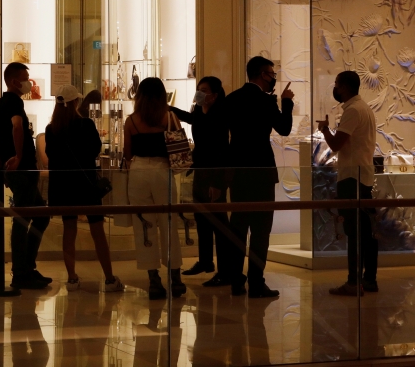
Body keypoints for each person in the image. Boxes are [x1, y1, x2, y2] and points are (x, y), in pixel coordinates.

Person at [223, 56, 294, 298]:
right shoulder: (265, 102)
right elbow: (284, 128)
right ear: (262, 74)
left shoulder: (231, 99)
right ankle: (256, 280)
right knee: (261, 230)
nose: (274, 77)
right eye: (271, 73)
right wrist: (287, 103)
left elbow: (224, 138)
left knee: (238, 227)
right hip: (262, 171)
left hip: (238, 171)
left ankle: (235, 279)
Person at [44, 85, 123, 293]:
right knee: (97, 231)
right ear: (75, 102)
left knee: (69, 231)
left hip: (63, 186)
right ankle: (109, 277)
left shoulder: (52, 129)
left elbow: (51, 156)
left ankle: (71, 278)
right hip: (86, 184)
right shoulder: (86, 125)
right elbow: (94, 150)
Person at [0, 62, 50, 290]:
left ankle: (26, 268)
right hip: (22, 171)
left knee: (39, 216)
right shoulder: (14, 102)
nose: (28, 83)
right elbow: (16, 126)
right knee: (23, 219)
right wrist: (19, 156)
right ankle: (21, 272)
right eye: (25, 79)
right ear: (14, 82)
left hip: (13, 171)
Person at [169, 76, 235, 287]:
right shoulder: (199, 110)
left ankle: (225, 270)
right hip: (200, 171)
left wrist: (218, 183)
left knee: (218, 222)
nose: (199, 93)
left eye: (203, 90)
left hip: (215, 174)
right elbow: (191, 119)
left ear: (214, 95)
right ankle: (205, 261)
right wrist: (171, 109)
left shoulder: (220, 114)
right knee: (201, 219)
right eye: (199, 89)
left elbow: (222, 150)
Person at [124, 77, 185, 300]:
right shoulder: (170, 117)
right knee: (169, 225)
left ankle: (154, 281)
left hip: (139, 171)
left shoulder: (131, 121)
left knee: (145, 226)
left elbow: (127, 154)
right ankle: (176, 278)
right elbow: (179, 149)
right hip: (163, 170)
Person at [318, 70, 378, 296]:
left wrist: (324, 129)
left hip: (352, 177)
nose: (335, 89)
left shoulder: (352, 110)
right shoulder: (365, 108)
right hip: (363, 175)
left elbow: (336, 145)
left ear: (343, 86)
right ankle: (368, 279)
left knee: (354, 232)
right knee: (366, 231)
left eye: (336, 85)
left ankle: (354, 282)